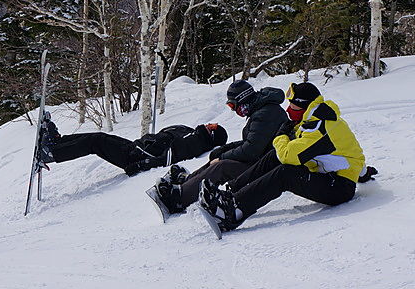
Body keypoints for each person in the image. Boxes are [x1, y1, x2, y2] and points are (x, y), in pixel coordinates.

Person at [198, 82, 367, 233]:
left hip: (338, 187)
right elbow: (348, 150)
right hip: (330, 176)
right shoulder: (315, 119)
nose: (288, 110)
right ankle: (232, 192)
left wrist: (280, 135)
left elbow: (288, 156)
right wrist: (362, 172)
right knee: (274, 155)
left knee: (286, 172)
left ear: (304, 106)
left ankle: (233, 212)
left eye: (292, 106)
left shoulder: (319, 128)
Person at [153, 79, 288, 214]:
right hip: (262, 159)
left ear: (243, 100)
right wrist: (223, 150)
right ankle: (187, 183)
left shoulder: (264, 114)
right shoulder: (262, 109)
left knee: (221, 166)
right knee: (218, 159)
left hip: (266, 166)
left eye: (232, 105)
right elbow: (252, 142)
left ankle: (179, 199)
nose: (234, 110)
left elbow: (251, 150)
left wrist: (223, 156)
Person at [39, 117, 228, 176]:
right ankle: (57, 142)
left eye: (213, 127)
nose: (210, 124)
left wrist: (141, 164)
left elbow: (169, 158)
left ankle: (51, 154)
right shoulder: (190, 132)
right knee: (99, 137)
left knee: (96, 142)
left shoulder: (196, 142)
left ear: (212, 135)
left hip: (136, 157)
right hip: (137, 147)